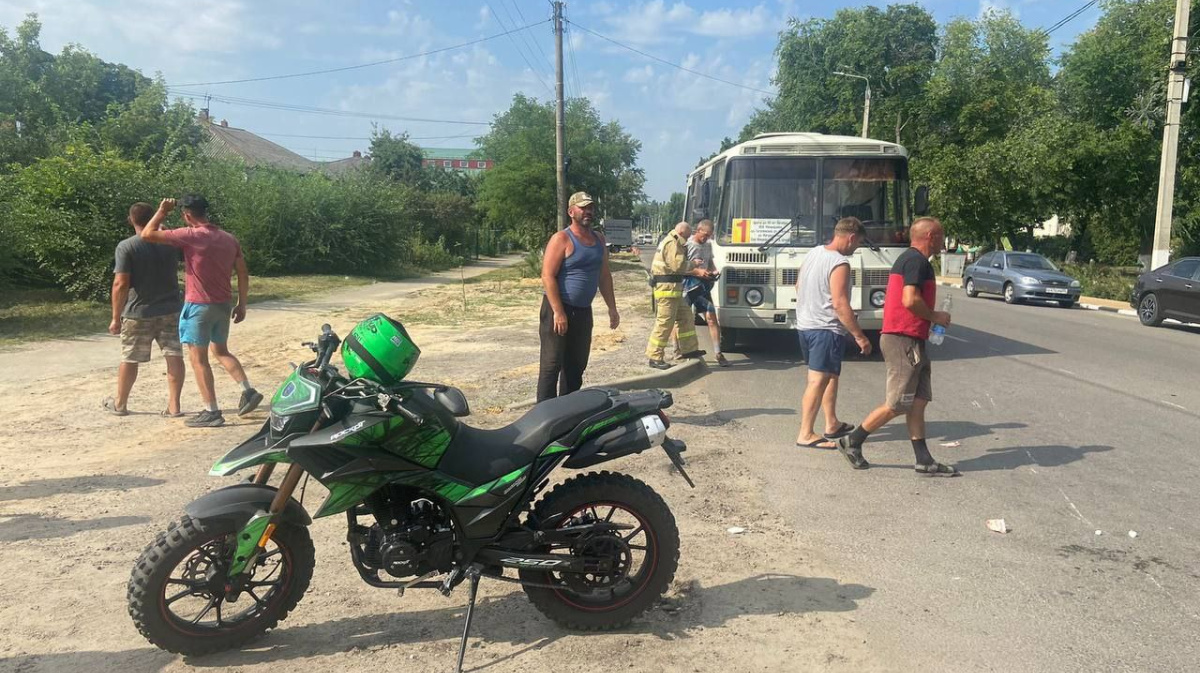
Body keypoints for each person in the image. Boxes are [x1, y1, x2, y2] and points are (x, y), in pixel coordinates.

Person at [835, 217, 958, 476]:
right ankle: (852, 441)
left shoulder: (914, 260)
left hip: (914, 339)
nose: (943, 241)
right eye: (941, 235)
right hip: (903, 339)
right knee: (897, 403)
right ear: (930, 237)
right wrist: (935, 316)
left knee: (918, 402)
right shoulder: (915, 261)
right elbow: (909, 299)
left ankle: (923, 460)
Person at [140, 195, 262, 428]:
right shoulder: (229, 239)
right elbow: (243, 273)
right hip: (223, 304)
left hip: (198, 306)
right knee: (221, 351)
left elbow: (147, 234)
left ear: (187, 215)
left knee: (199, 360)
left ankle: (212, 411)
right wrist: (242, 303)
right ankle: (248, 391)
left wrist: (162, 211)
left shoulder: (190, 235)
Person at [793, 217, 872, 449]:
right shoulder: (840, 263)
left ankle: (832, 423)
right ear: (851, 237)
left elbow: (798, 286)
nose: (856, 248)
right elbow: (839, 303)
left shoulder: (814, 252)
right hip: (825, 328)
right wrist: (860, 336)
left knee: (829, 376)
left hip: (805, 326)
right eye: (858, 243)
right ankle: (806, 434)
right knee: (818, 381)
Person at [102, 202, 186, 417]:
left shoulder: (127, 246)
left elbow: (120, 283)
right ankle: (174, 406)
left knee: (130, 357)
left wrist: (115, 317)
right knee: (174, 354)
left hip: (138, 311)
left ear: (131, 220)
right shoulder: (170, 243)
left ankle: (120, 404)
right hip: (171, 308)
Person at [537, 191, 620, 401]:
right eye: (583, 208)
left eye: (590, 208)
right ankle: (545, 413)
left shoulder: (599, 240)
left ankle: (568, 410)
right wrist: (558, 312)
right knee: (551, 364)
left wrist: (612, 308)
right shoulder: (561, 239)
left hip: (583, 312)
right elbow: (547, 276)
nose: (588, 212)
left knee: (576, 365)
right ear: (571, 212)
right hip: (557, 309)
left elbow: (604, 276)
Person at [647, 221, 710, 369]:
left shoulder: (673, 241)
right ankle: (654, 357)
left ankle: (688, 350)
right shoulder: (673, 243)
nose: (687, 239)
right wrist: (693, 264)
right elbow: (678, 266)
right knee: (665, 323)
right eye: (687, 236)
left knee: (686, 317)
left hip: (673, 290)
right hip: (667, 290)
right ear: (681, 232)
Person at [684, 220, 729, 367]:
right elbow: (679, 267)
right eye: (705, 235)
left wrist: (713, 271)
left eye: (709, 235)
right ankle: (680, 351)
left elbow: (709, 262)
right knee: (682, 319)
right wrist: (697, 271)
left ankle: (718, 353)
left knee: (711, 317)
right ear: (698, 230)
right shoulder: (687, 245)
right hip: (687, 285)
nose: (706, 238)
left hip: (702, 286)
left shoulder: (708, 245)